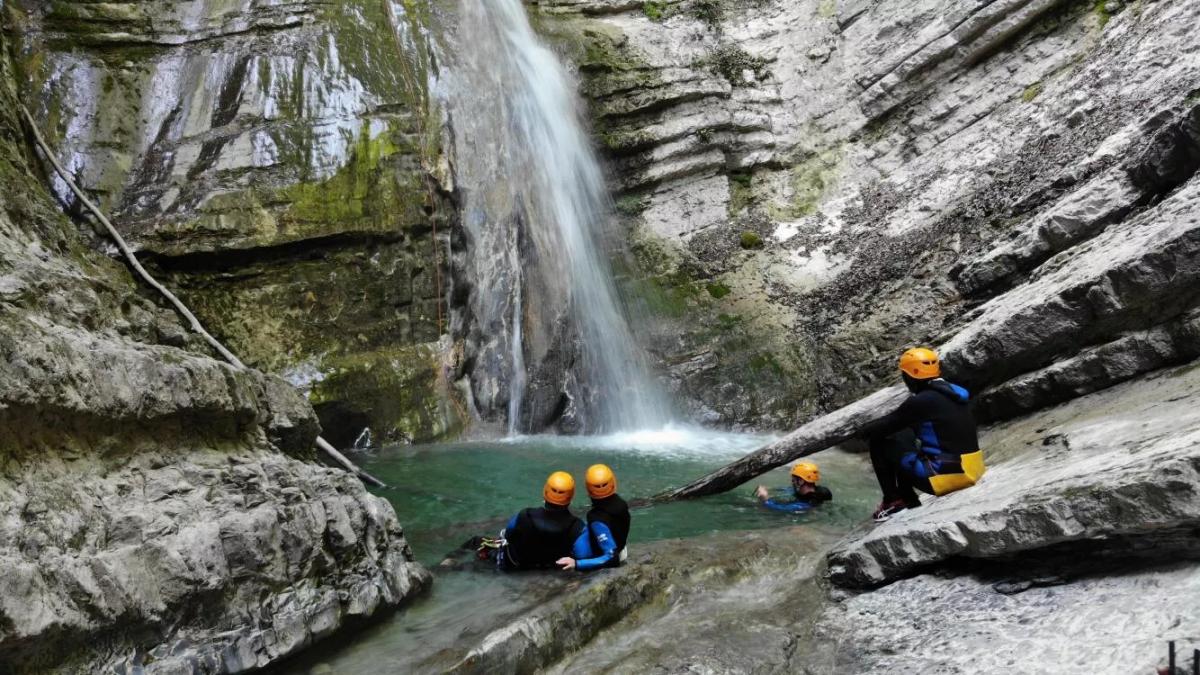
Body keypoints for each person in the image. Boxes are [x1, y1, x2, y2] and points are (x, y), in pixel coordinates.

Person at [861, 347, 986, 522]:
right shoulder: (954, 392)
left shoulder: (920, 402)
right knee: (904, 436)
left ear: (910, 376)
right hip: (972, 468)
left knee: (879, 442)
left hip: (948, 475)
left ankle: (893, 501)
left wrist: (860, 430)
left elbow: (880, 428)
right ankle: (907, 500)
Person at [488, 471, 593, 570]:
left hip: (517, 566)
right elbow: (583, 555)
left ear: (545, 491)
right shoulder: (577, 527)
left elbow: (509, 535)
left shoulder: (525, 515)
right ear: (570, 497)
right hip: (548, 570)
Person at [557, 464, 631, 571]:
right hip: (620, 547)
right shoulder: (620, 502)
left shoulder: (597, 518)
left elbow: (612, 558)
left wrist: (576, 563)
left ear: (588, 488)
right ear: (613, 482)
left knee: (573, 531)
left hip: (607, 556)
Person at [754, 462, 833, 512]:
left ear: (801, 481)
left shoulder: (807, 503)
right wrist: (769, 488)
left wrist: (765, 500)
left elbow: (782, 509)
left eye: (793, 479)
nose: (792, 481)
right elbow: (789, 489)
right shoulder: (816, 490)